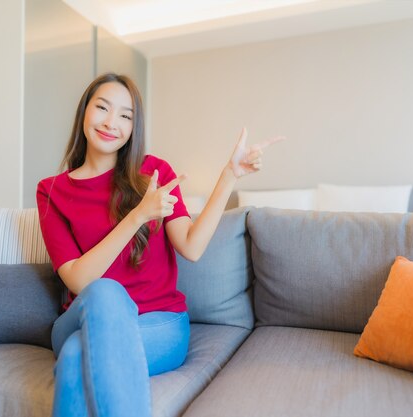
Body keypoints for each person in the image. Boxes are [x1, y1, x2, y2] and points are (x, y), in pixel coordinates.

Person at [36, 72, 284, 417]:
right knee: (106, 292)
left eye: (125, 116)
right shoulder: (51, 190)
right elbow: (79, 281)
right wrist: (136, 217)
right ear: (84, 113)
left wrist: (230, 174)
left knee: (77, 355)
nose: (112, 122)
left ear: (134, 127)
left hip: (158, 324)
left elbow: (192, 247)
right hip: (81, 318)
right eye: (103, 108)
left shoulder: (154, 173)